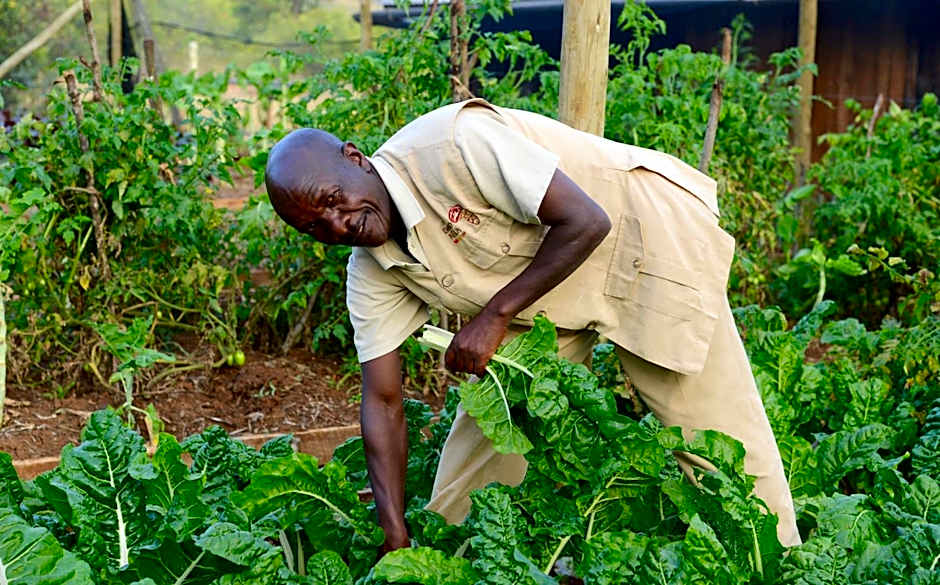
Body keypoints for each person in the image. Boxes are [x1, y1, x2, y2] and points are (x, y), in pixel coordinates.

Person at [263, 98, 802, 551]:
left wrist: (493, 316)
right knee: (489, 440)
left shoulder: (452, 146)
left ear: (356, 159)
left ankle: (772, 560)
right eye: (316, 227)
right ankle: (452, 563)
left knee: (712, 436)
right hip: (546, 288)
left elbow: (587, 220)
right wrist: (394, 532)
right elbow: (382, 401)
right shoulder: (372, 267)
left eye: (334, 201)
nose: (338, 225)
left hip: (642, 241)